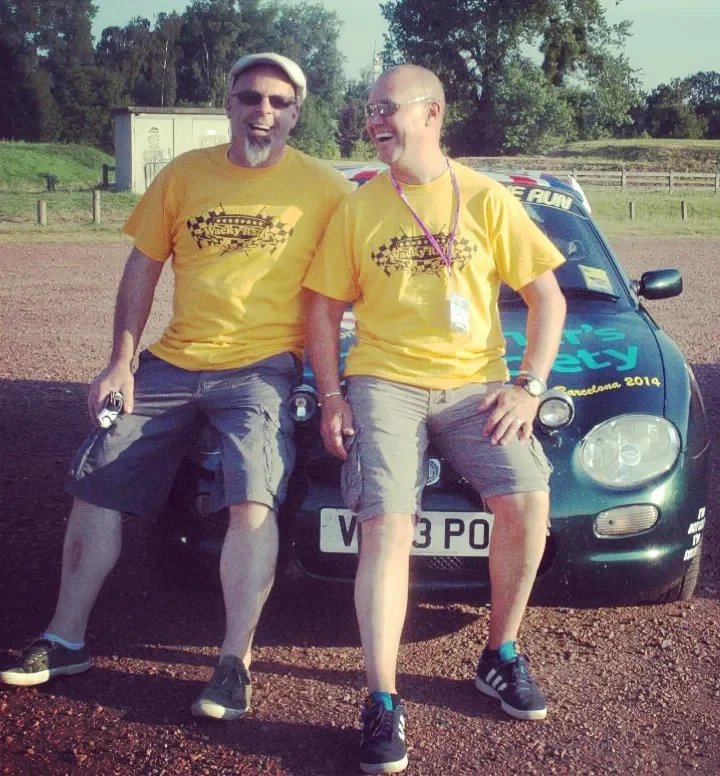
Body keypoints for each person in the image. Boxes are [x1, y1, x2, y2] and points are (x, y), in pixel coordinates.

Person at [0, 53, 351, 722]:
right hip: (174, 361)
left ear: (297, 112)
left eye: (279, 101)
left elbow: (347, 287)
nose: (263, 112)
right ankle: (63, 637)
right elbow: (143, 268)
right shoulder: (184, 175)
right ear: (228, 102)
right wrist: (119, 361)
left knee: (254, 496)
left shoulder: (327, 189)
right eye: (250, 96)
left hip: (264, 369)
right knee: (99, 475)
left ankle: (233, 665)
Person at [303, 64, 567, 774]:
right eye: (368, 110)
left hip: (474, 384)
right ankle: (382, 699)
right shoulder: (360, 206)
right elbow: (324, 308)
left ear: (431, 113)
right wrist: (332, 395)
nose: (373, 121)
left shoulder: (485, 198)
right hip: (384, 381)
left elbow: (548, 297)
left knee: (526, 495)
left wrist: (530, 386)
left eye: (386, 108)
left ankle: (499, 653)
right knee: (387, 521)